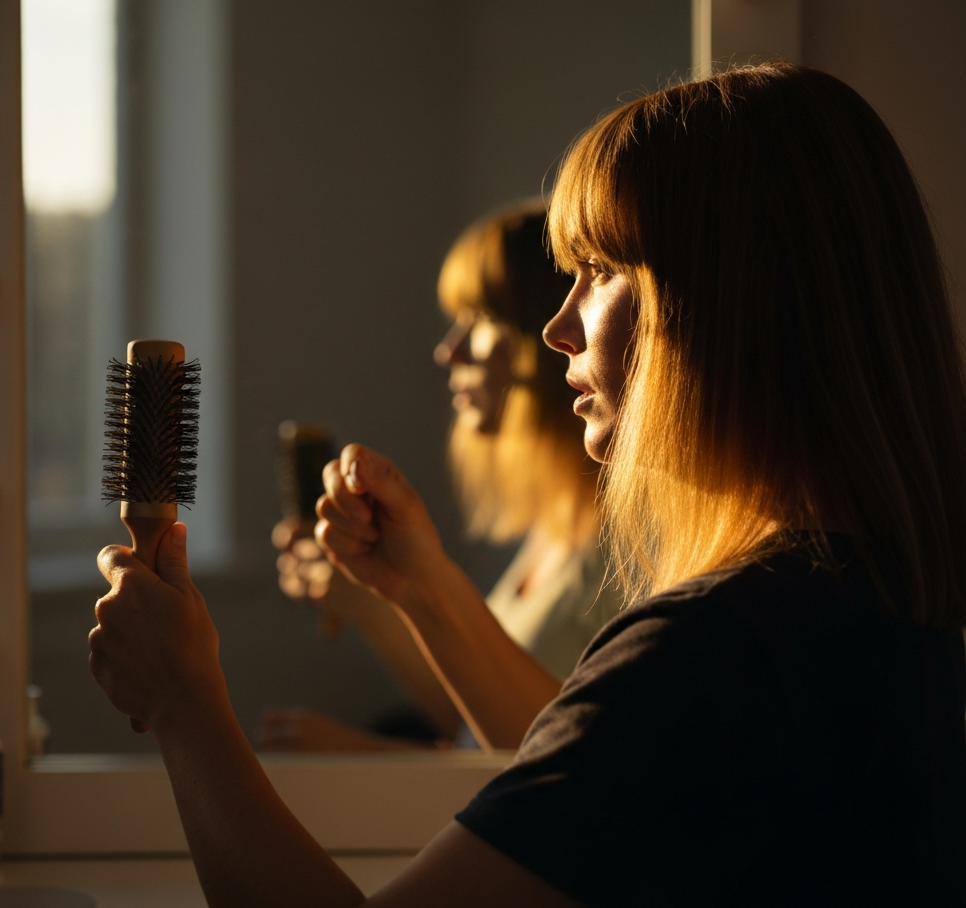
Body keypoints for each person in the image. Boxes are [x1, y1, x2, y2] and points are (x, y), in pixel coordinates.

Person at [89, 63, 966, 906]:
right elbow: (613, 781)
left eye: (601, 270)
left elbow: (643, 738)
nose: (558, 327)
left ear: (730, 303)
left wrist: (185, 704)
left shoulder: (713, 657)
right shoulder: (876, 609)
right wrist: (422, 591)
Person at [261, 203, 615, 752]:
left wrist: (366, 760)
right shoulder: (553, 532)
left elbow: (576, 775)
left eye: (482, 319)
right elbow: (479, 718)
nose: (448, 350)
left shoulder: (626, 552)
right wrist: (368, 599)